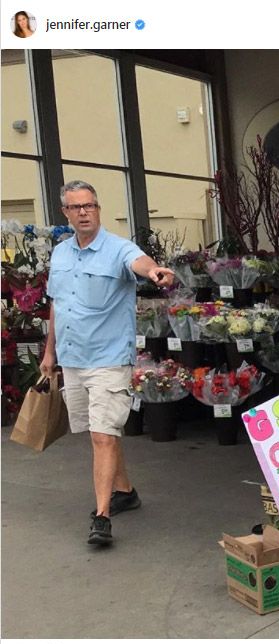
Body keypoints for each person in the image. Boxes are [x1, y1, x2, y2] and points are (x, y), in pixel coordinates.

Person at [40, 180, 174, 547]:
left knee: (102, 435)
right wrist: (50, 353)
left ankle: (102, 517)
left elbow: (141, 263)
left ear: (98, 209)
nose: (84, 212)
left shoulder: (118, 249)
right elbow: (58, 304)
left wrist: (155, 272)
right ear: (65, 213)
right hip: (72, 358)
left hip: (108, 358)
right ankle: (125, 491)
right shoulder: (61, 254)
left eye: (91, 206)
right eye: (76, 207)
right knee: (100, 433)